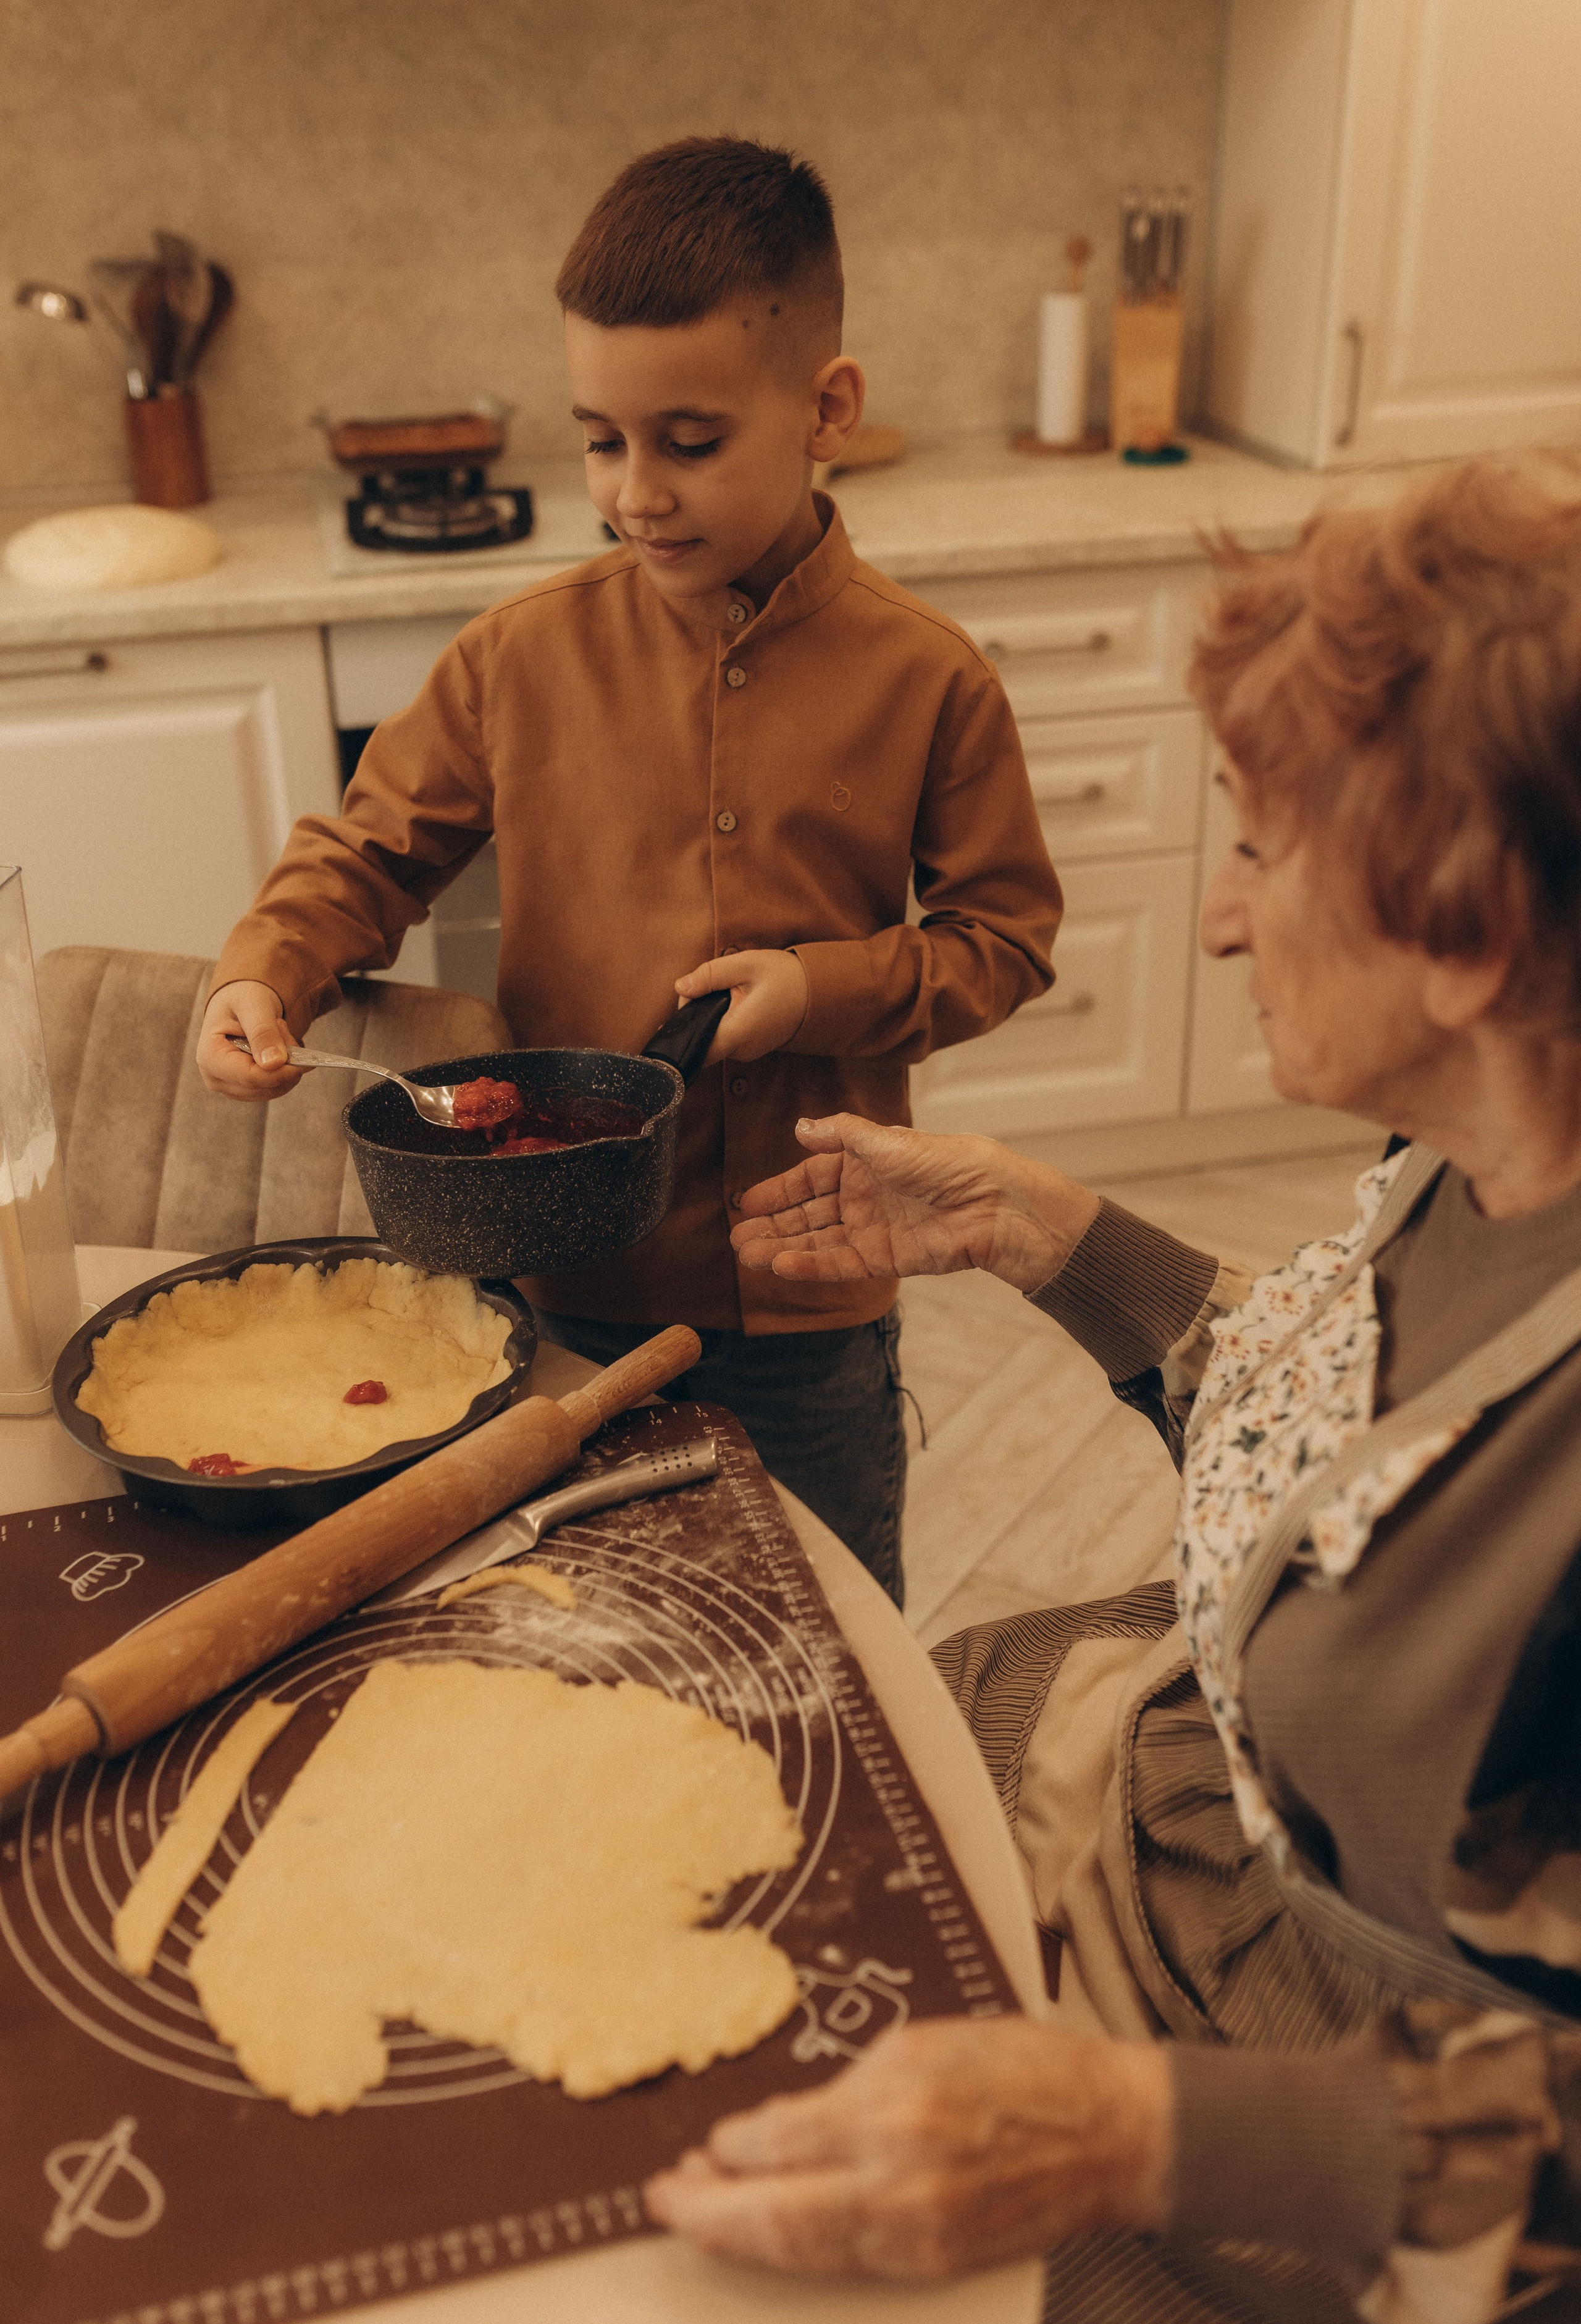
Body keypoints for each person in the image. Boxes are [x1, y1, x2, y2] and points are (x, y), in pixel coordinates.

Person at [646, 453, 1581, 2324]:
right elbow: (1351, 1453)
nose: (1222, 921)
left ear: (1471, 933)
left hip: (1352, 2164)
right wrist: (1042, 1231)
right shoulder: (1480, 1160)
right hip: (1192, 1834)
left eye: (1256, 844)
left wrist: (1126, 2134)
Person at [194, 138, 1060, 1608]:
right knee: (583, 1624)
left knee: (828, 1640)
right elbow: (364, 852)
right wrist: (258, 973)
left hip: (810, 1299)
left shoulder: (930, 678)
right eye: (602, 439)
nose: (634, 494)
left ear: (826, 409)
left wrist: (819, 989)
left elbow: (1003, 942)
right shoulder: (518, 656)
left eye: (690, 440)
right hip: (556, 1297)